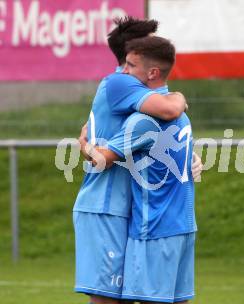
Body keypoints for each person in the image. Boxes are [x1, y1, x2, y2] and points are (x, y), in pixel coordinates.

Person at [73, 17, 201, 304]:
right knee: (108, 299)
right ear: (132, 50)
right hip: (104, 205)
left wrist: (187, 154)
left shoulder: (137, 93)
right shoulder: (120, 82)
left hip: (133, 210)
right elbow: (169, 109)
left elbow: (161, 125)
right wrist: (83, 145)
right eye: (149, 41)